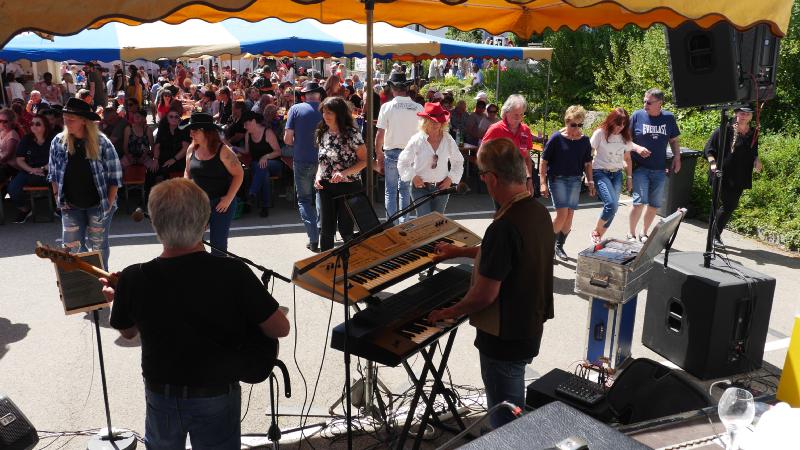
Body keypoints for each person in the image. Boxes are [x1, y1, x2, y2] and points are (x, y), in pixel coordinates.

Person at [103, 177, 290, 449]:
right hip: (216, 392)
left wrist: (115, 300)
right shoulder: (233, 272)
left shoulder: (134, 277)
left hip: (161, 392)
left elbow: (128, 332)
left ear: (155, 224)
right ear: (205, 222)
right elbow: (280, 328)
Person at [428, 137, 554, 430]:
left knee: (506, 419)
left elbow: (484, 295)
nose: (483, 182)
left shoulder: (504, 226)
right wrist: (459, 251)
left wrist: (447, 312)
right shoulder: (536, 212)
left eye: (483, 176)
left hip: (504, 337)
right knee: (513, 401)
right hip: (528, 327)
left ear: (493, 177)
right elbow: (505, 255)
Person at [48, 98, 123, 269]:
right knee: (71, 248)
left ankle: (102, 284)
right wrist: (57, 198)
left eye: (71, 119)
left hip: (99, 205)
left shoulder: (102, 142)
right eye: (65, 117)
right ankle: (79, 289)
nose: (66, 121)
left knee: (98, 247)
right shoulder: (58, 142)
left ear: (84, 121)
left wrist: (109, 204)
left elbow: (115, 176)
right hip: (70, 204)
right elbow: (53, 174)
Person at [183, 112, 244, 254]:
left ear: (205, 132)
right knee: (193, 243)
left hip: (220, 204)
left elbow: (239, 174)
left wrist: (228, 199)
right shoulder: (191, 149)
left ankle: (219, 274)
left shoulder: (223, 151)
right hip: (198, 203)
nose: (191, 134)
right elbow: (187, 172)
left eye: (194, 131)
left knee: (218, 246)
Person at [589, 108, 651, 243]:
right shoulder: (600, 133)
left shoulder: (624, 136)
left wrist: (629, 178)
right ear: (611, 121)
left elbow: (628, 157)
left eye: (623, 124)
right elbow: (588, 155)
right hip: (600, 172)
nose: (620, 127)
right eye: (618, 124)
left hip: (617, 174)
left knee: (614, 208)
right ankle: (596, 231)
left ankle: (599, 235)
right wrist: (588, 178)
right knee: (611, 204)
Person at [540, 105, 594, 261]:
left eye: (580, 125)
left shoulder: (584, 141)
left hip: (575, 180)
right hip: (558, 179)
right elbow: (544, 161)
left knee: (569, 215)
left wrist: (590, 181)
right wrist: (543, 182)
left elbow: (588, 163)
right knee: (562, 214)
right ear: (566, 122)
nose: (576, 128)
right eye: (573, 125)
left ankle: (559, 246)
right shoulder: (556, 138)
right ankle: (547, 246)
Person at [314, 97, 367, 251]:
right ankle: (325, 265)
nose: (325, 115)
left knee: (346, 229)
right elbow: (322, 161)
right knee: (326, 229)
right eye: (324, 112)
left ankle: (350, 263)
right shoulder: (322, 132)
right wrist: (318, 176)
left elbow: (364, 161)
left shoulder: (352, 134)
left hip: (348, 186)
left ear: (339, 113)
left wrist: (344, 173)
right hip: (325, 187)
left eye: (329, 112)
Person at [704, 106, 761, 247]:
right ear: (736, 114)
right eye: (742, 113)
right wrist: (713, 164)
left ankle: (714, 235)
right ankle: (714, 236)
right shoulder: (724, 130)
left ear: (751, 116)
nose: (744, 116)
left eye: (747, 114)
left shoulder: (753, 133)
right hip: (722, 174)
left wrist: (757, 160)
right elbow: (708, 149)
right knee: (727, 204)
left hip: (740, 176)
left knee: (731, 206)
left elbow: (753, 151)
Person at [628, 88, 681, 242]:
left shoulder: (669, 118)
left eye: (649, 102)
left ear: (660, 103)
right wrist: (637, 148)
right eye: (644, 100)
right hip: (640, 168)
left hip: (659, 169)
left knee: (654, 205)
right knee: (639, 202)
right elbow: (626, 140)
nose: (645, 104)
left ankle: (643, 233)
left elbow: (674, 140)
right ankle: (630, 233)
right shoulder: (637, 116)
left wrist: (677, 157)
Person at [398, 102, 463, 216]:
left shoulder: (448, 139)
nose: (436, 123)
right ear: (425, 121)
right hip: (420, 188)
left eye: (438, 120)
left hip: (442, 187)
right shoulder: (417, 139)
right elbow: (403, 161)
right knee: (424, 221)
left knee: (437, 222)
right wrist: (413, 176)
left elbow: (458, 161)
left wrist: (450, 179)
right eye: (432, 120)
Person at [375, 73, 423, 224]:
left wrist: (378, 154)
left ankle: (392, 223)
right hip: (411, 153)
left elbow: (380, 134)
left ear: (392, 88)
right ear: (406, 88)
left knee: (390, 190)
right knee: (404, 190)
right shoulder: (418, 107)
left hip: (392, 152)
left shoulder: (387, 107)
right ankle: (404, 222)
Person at [284, 81, 324, 252]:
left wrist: (298, 143)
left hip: (302, 159)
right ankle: (321, 230)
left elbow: (287, 139)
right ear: (319, 95)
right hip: (323, 160)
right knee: (320, 196)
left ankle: (313, 237)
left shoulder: (295, 109)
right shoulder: (325, 109)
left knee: (304, 199)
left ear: (304, 95)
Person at [483, 94, 535, 193]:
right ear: (506, 112)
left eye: (521, 114)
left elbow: (527, 157)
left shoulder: (525, 130)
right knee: (505, 209)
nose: (518, 118)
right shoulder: (495, 129)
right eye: (515, 114)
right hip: (501, 181)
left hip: (520, 180)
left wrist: (529, 179)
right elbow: (483, 154)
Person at [9, 112, 54, 223]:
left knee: (63, 182)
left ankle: (58, 207)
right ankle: (24, 209)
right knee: (12, 188)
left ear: (45, 126)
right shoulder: (26, 139)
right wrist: (32, 170)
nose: (33, 126)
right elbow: (19, 159)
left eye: (37, 124)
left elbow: (58, 159)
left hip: (50, 169)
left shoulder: (53, 139)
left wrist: (43, 168)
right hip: (29, 170)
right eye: (32, 123)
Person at [242, 111, 282, 217]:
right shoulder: (248, 135)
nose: (244, 127)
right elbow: (246, 151)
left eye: (246, 124)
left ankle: (252, 193)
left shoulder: (267, 132)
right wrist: (233, 147)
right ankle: (265, 206)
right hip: (258, 166)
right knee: (263, 173)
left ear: (254, 121)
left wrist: (266, 156)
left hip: (274, 164)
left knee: (261, 166)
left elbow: (278, 151)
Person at [0, 108, 21, 182]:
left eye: (5, 121)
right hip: (4, 164)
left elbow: (8, 156)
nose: (2, 124)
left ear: (11, 122)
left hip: (12, 167)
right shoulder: (2, 132)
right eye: (0, 121)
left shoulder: (12, 134)